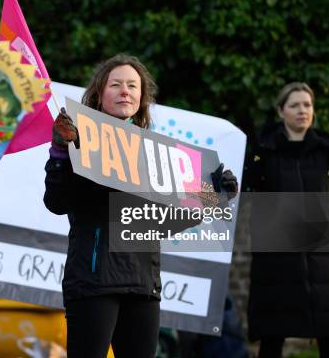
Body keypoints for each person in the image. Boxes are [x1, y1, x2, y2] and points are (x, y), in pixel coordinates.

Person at [43, 54, 238, 358]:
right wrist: (59, 152)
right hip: (94, 283)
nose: (126, 91)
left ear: (142, 97)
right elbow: (57, 203)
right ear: (99, 95)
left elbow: (171, 219)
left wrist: (216, 194)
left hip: (143, 287)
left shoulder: (158, 155)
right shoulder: (78, 142)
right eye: (116, 84)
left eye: (133, 86)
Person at [244, 82, 329, 358]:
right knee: (272, 338)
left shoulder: (327, 151)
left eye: (307, 104)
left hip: (319, 258)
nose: (303, 110)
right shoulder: (263, 153)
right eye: (295, 105)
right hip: (277, 261)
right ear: (281, 111)